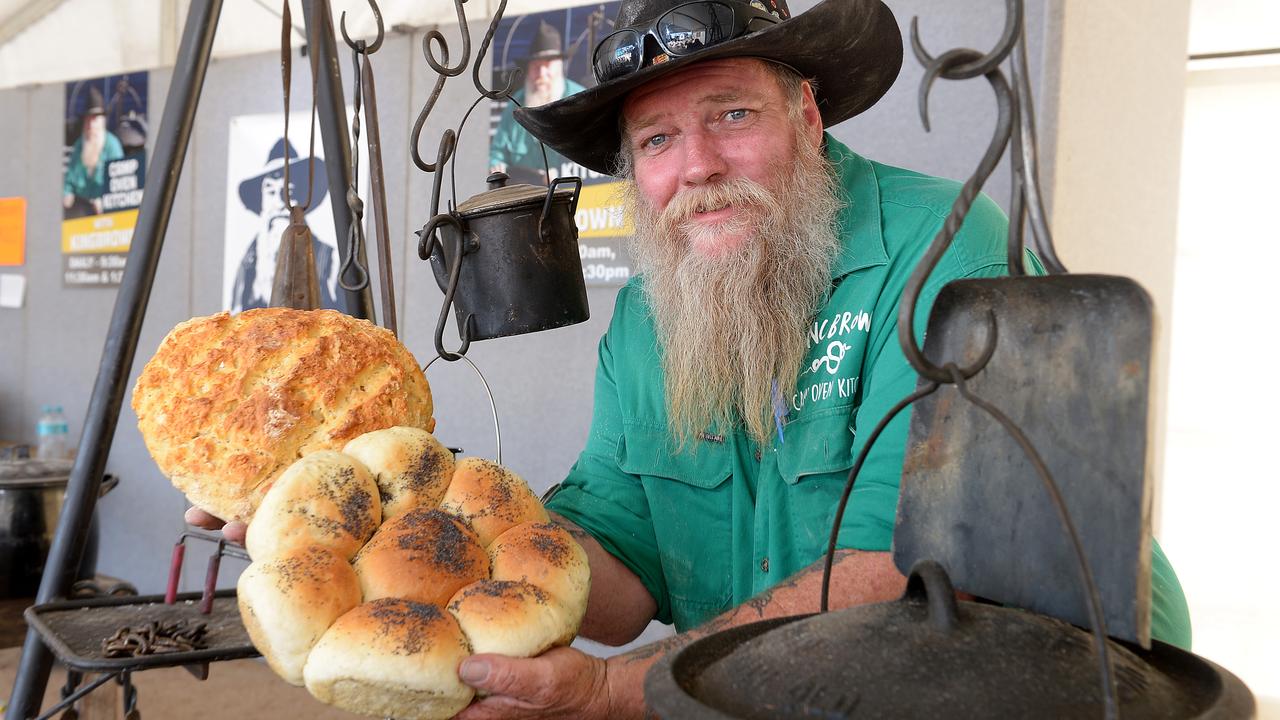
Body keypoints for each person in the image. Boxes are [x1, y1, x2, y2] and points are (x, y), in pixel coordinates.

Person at [191, 0, 1193, 716]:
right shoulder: (650, 321)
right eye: (658, 139)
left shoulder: (943, 248)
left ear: (804, 116)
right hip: (778, 689)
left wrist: (620, 691)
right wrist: (373, 526)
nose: (698, 167)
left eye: (731, 115)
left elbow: (929, 571)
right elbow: (611, 576)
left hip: (1040, 684)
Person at [229, 138, 339, 313]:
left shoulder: (329, 259)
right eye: (271, 192)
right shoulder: (248, 261)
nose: (280, 202)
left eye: (288, 192)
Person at [489, 21, 587, 184]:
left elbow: (590, 151)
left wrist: (562, 170)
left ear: (559, 67)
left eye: (547, 65)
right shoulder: (515, 104)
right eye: (536, 66)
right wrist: (496, 166)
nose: (541, 74)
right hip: (523, 194)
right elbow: (497, 152)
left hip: (572, 193)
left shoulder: (579, 99)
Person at [63, 86, 124, 218]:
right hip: (80, 208)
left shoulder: (112, 146)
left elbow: (119, 184)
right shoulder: (80, 144)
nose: (91, 125)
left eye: (95, 119)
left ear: (102, 121)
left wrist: (104, 201)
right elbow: (69, 181)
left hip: (104, 211)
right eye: (88, 120)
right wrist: (66, 194)